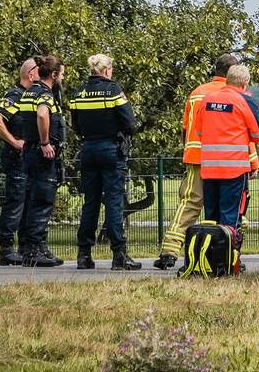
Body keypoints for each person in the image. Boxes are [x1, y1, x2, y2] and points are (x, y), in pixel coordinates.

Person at [155, 53, 240, 269]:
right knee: (229, 206)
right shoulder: (231, 94)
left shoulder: (197, 93)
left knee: (190, 203)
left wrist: (189, 150)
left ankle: (169, 251)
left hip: (195, 155)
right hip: (224, 159)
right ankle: (227, 253)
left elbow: (186, 127)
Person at [70, 54, 140, 270]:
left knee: (90, 203)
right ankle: (119, 254)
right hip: (110, 149)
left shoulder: (78, 93)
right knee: (113, 202)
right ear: (107, 69)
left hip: (88, 149)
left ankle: (84, 254)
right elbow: (130, 123)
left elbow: (76, 126)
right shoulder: (114, 90)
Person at [195, 64, 259, 231]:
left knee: (210, 217)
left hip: (209, 168)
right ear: (245, 82)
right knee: (229, 218)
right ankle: (227, 254)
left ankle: (209, 254)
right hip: (234, 169)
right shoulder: (245, 101)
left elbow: (198, 131)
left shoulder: (207, 99)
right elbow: (257, 135)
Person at [0, 58, 38, 266]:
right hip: (16, 158)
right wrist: (14, 142)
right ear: (31, 74)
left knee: (27, 202)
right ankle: (6, 249)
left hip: (27, 160)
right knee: (16, 202)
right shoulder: (15, 95)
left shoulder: (30, 96)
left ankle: (24, 248)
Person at [19, 55, 66, 267]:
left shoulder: (29, 92)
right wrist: (46, 142)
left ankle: (31, 248)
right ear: (54, 75)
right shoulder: (45, 95)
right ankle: (35, 250)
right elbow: (41, 115)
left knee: (31, 200)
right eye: (62, 74)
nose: (62, 78)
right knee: (42, 200)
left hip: (29, 150)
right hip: (42, 153)